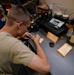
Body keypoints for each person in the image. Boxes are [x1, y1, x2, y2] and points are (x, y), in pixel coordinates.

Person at [0, 5, 50, 74]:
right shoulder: (14, 45)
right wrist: (37, 43)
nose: (27, 30)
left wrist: (19, 36)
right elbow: (46, 68)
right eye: (27, 27)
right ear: (20, 25)